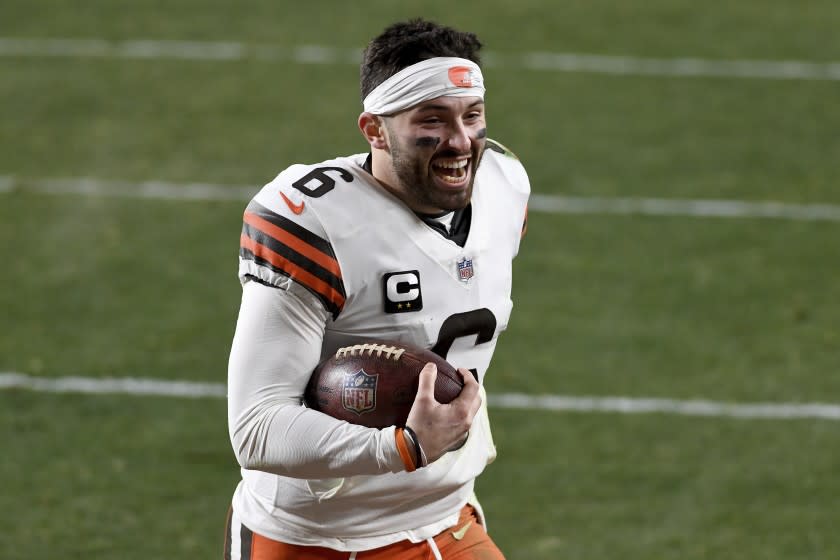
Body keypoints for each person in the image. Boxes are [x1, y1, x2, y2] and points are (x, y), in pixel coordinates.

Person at [225, 18, 530, 560]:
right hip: (316, 538)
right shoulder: (316, 220)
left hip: (445, 518)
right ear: (375, 130)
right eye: (431, 121)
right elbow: (256, 428)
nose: (460, 141)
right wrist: (402, 448)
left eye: (472, 115)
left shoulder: (505, 187)